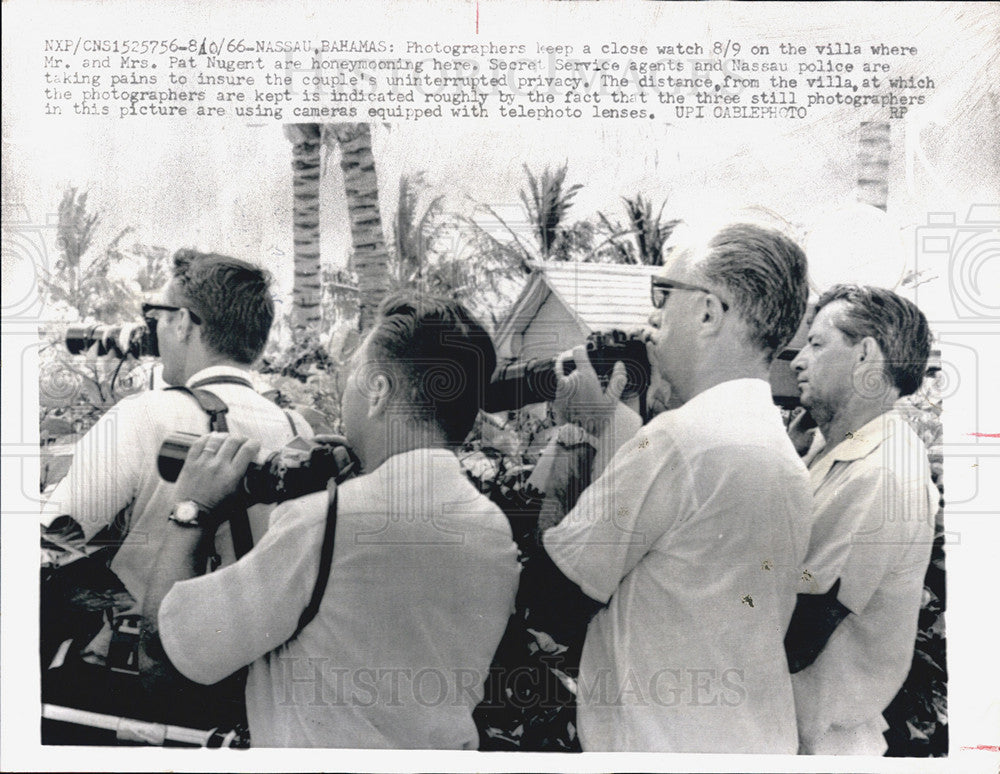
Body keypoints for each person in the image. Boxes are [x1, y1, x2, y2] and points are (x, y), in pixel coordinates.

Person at [139, 294, 521, 748]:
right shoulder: (492, 530)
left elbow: (163, 653)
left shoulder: (327, 524)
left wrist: (192, 507)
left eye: (353, 376)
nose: (347, 393)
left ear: (378, 392)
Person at [529, 223, 813, 752]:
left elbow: (553, 597)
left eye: (664, 294)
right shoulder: (779, 450)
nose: (652, 316)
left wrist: (583, 432)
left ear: (708, 311)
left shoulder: (681, 440)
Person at [40, 249, 311, 662]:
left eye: (157, 316)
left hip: (145, 675)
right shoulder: (296, 429)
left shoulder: (145, 414)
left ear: (182, 323)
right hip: (253, 670)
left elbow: (53, 539)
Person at [787, 284, 937, 755]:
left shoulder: (881, 474)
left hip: (817, 743)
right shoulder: (831, 448)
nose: (797, 360)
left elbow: (796, 635)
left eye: (816, 343)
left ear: (865, 355)